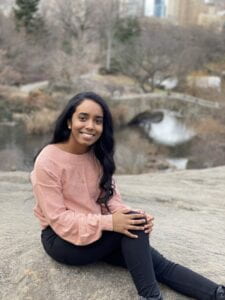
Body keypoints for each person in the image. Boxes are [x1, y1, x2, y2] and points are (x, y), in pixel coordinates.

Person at [31, 91, 224, 300]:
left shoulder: (98, 155)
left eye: (98, 121)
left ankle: (217, 294)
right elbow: (59, 220)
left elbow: (112, 200)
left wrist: (129, 215)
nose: (90, 126)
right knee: (134, 228)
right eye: (83, 118)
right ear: (69, 121)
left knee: (153, 256)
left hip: (96, 233)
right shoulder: (48, 160)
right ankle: (151, 297)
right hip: (62, 241)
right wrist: (112, 223)